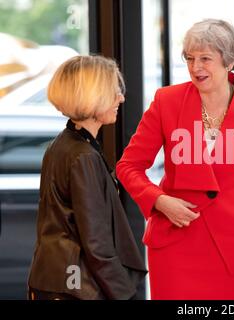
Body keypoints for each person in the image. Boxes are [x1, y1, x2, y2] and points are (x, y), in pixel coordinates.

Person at [116, 19, 234, 300]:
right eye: (190, 58)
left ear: (230, 61)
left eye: (205, 59)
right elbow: (128, 167)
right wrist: (159, 200)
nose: (195, 67)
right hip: (175, 244)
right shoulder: (166, 101)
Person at [27, 55, 147, 300]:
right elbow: (97, 244)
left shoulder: (62, 145)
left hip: (54, 280)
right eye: (114, 91)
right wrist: (126, 294)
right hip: (77, 288)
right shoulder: (83, 156)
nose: (121, 98)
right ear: (94, 96)